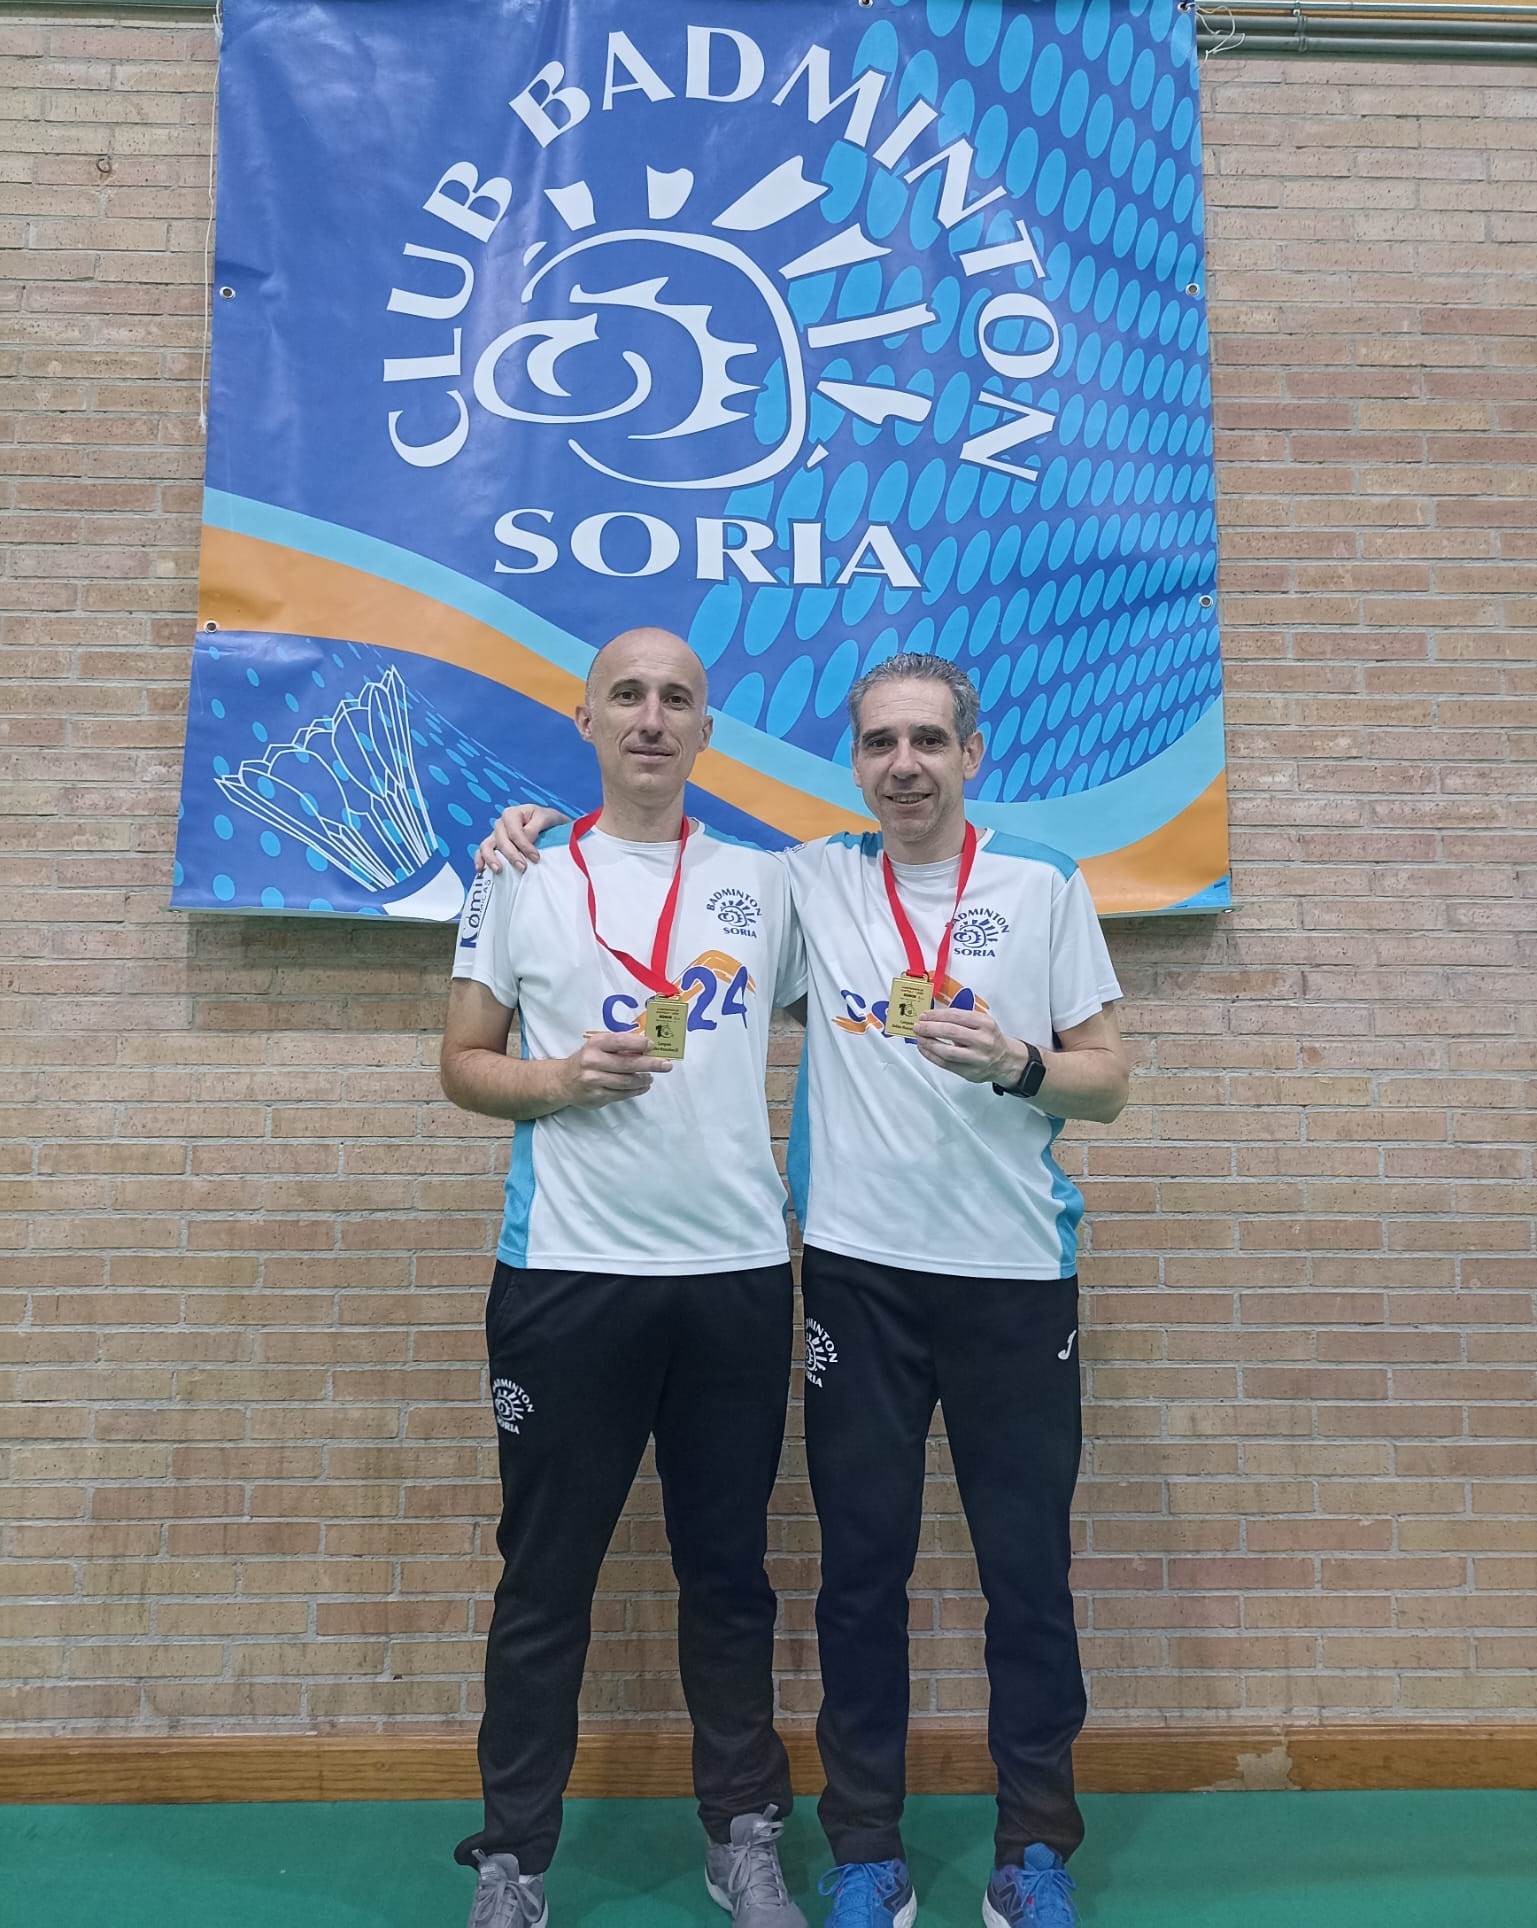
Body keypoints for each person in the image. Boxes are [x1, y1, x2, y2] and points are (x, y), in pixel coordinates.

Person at [483, 651, 1130, 1928]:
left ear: (971, 750)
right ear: (855, 760)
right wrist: (530, 824)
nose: (905, 764)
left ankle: (1033, 1849)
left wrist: (1016, 1060)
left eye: (929, 741)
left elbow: (1106, 1079)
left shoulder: (1043, 882)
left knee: (1028, 1577)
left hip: (1012, 1277)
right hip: (854, 1272)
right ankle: (868, 1851)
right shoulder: (808, 880)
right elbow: (634, 868)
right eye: (881, 741)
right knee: (858, 1574)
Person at [441, 626, 809, 1928]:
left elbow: (883, 977)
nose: (652, 717)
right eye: (627, 697)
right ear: (586, 720)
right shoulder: (517, 876)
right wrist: (557, 1081)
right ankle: (513, 1861)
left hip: (733, 1280)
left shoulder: (772, 885)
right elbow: (463, 1063)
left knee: (729, 1574)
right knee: (545, 1578)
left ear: (708, 728)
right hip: (567, 1277)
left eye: (677, 699)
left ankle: (743, 1835)